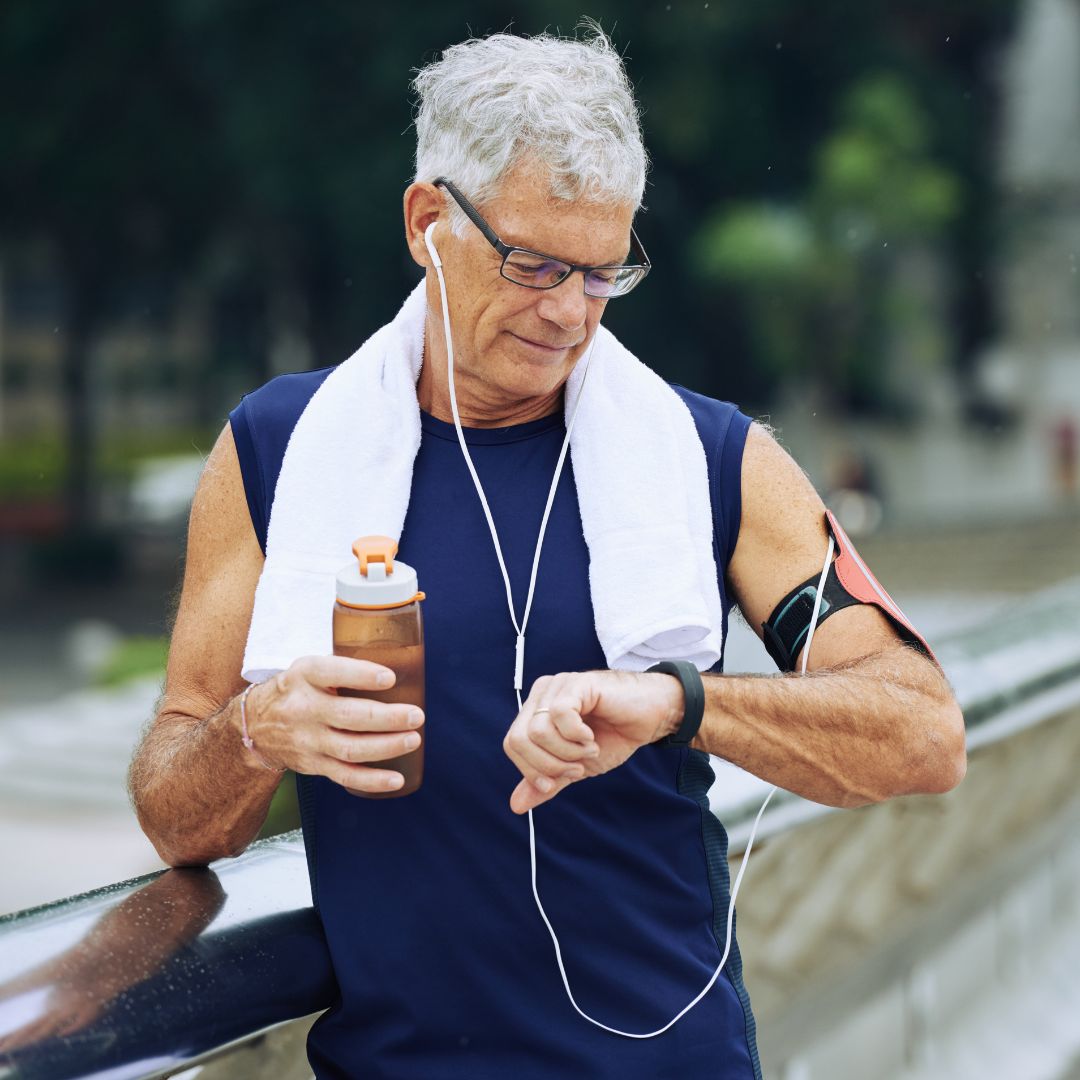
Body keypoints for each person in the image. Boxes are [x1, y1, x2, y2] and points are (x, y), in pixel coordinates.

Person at [129, 24, 965, 1080]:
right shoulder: (275, 453)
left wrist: (681, 703)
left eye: (603, 272)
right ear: (428, 221)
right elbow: (172, 813)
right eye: (533, 264)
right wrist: (255, 731)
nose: (570, 312)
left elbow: (923, 731)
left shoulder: (714, 459)